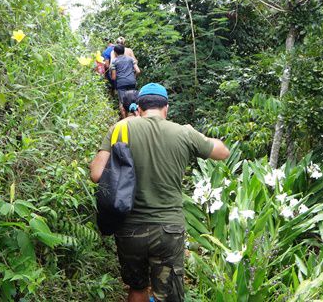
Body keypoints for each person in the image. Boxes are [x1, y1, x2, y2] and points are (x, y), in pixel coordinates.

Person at [90, 83, 230, 302]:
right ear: (166, 107)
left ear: (141, 107)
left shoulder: (121, 128)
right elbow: (223, 152)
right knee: (169, 296)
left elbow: (97, 174)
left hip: (129, 228)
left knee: (137, 288)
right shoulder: (184, 133)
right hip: (168, 229)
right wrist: (194, 133)